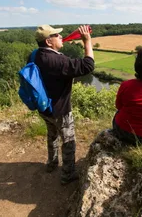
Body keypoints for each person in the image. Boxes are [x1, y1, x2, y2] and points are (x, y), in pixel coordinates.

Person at [31, 24, 94, 185]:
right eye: (56, 35)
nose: (60, 36)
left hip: (44, 107)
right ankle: (68, 174)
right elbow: (88, 66)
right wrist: (87, 41)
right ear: (48, 41)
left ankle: (52, 163)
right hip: (60, 110)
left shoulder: (35, 55)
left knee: (52, 135)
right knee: (68, 141)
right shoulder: (58, 60)